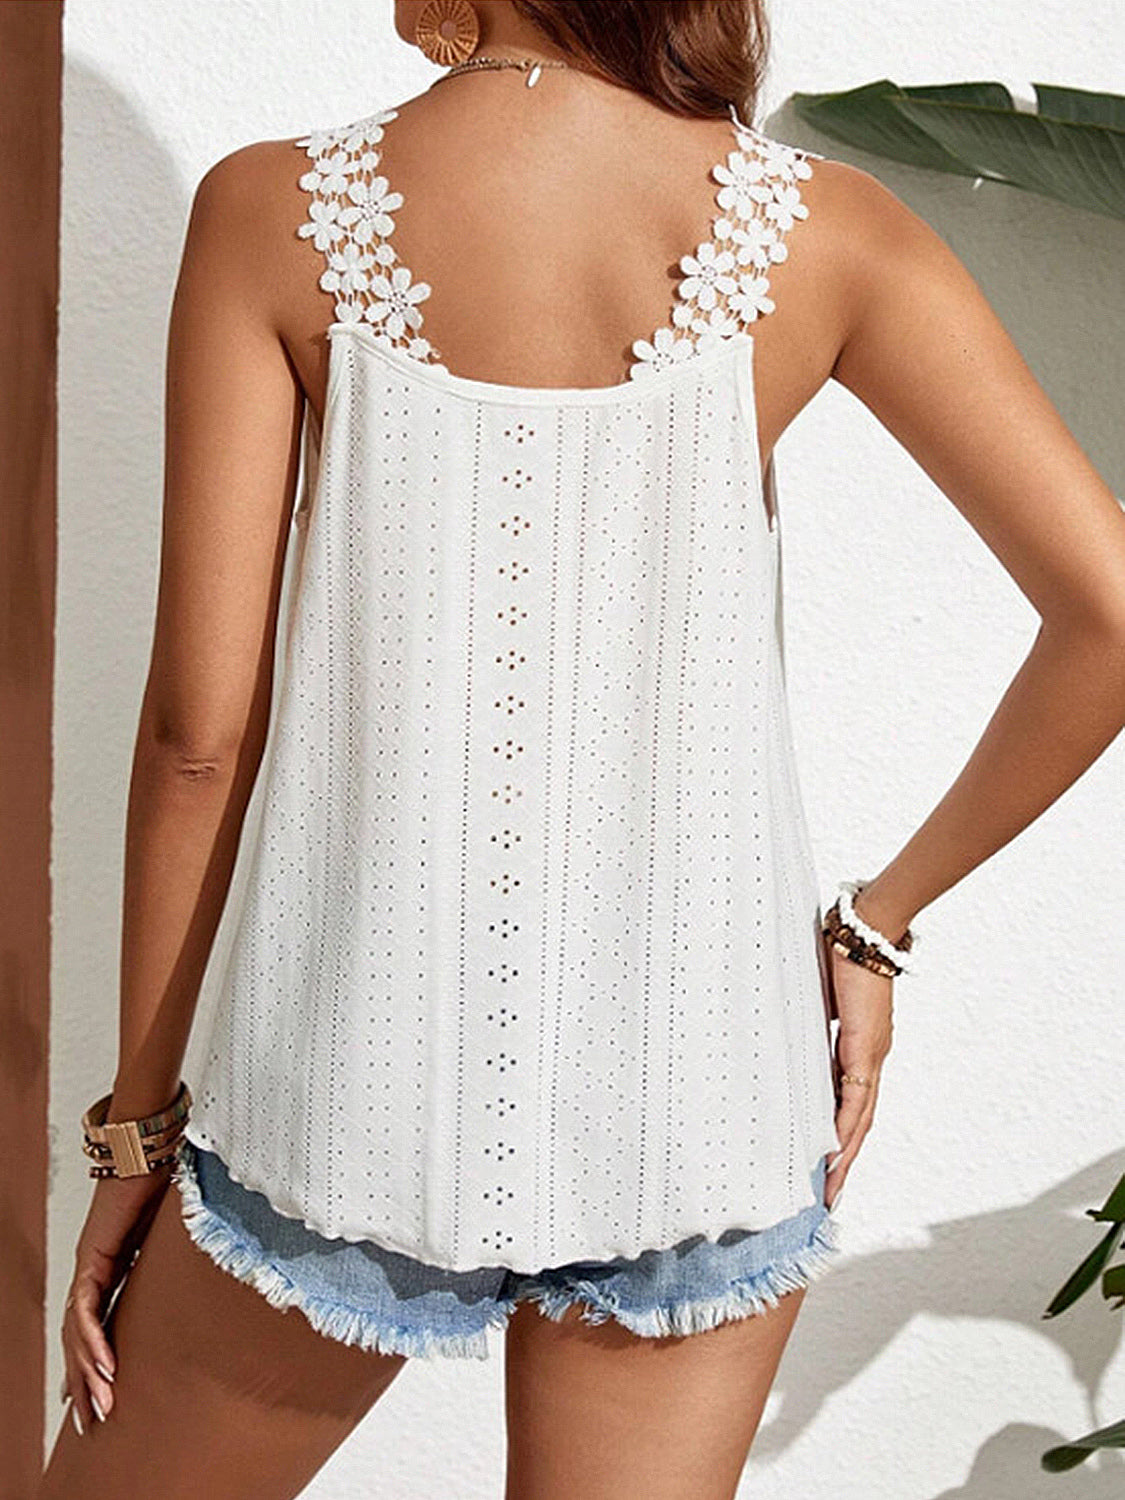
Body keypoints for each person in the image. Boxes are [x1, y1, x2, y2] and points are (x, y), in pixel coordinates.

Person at [40, 1, 1125, 1497]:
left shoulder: (267, 211)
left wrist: (134, 1137)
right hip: (708, 1106)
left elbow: (194, 745)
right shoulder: (832, 233)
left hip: (350, 1099)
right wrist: (874, 928)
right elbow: (1110, 618)